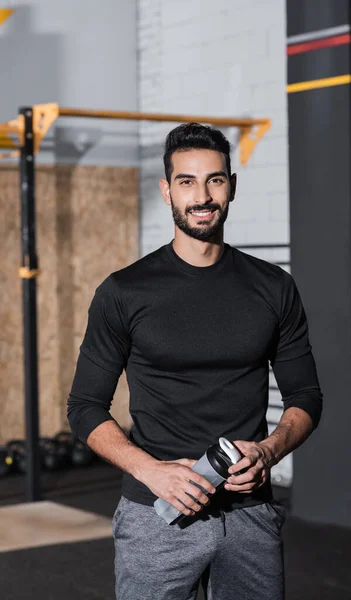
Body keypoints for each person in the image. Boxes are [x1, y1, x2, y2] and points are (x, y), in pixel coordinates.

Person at [67, 123, 323, 600]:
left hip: (248, 515)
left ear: (231, 187)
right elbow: (84, 408)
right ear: (167, 190)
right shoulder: (124, 292)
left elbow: (306, 396)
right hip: (156, 514)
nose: (202, 195)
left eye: (215, 180)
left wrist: (269, 451)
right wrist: (150, 471)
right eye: (186, 181)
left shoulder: (273, 288)